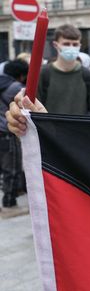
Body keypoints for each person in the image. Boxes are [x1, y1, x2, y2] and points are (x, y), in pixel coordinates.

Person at [38, 24, 90, 116]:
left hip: (79, 129)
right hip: (48, 129)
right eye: (66, 44)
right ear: (55, 45)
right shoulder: (43, 74)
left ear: (80, 46)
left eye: (75, 44)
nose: (71, 47)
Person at [0, 59, 28, 208]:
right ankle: (9, 201)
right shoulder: (16, 87)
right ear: (22, 75)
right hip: (7, 132)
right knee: (12, 168)